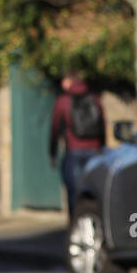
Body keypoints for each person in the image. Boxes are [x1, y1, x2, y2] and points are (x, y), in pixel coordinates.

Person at [50, 68, 106, 219]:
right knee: (94, 193)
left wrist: (52, 153)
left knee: (74, 194)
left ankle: (76, 227)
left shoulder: (63, 101)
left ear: (68, 81)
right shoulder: (95, 98)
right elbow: (102, 124)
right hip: (95, 152)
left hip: (74, 152)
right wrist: (102, 148)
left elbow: (55, 128)